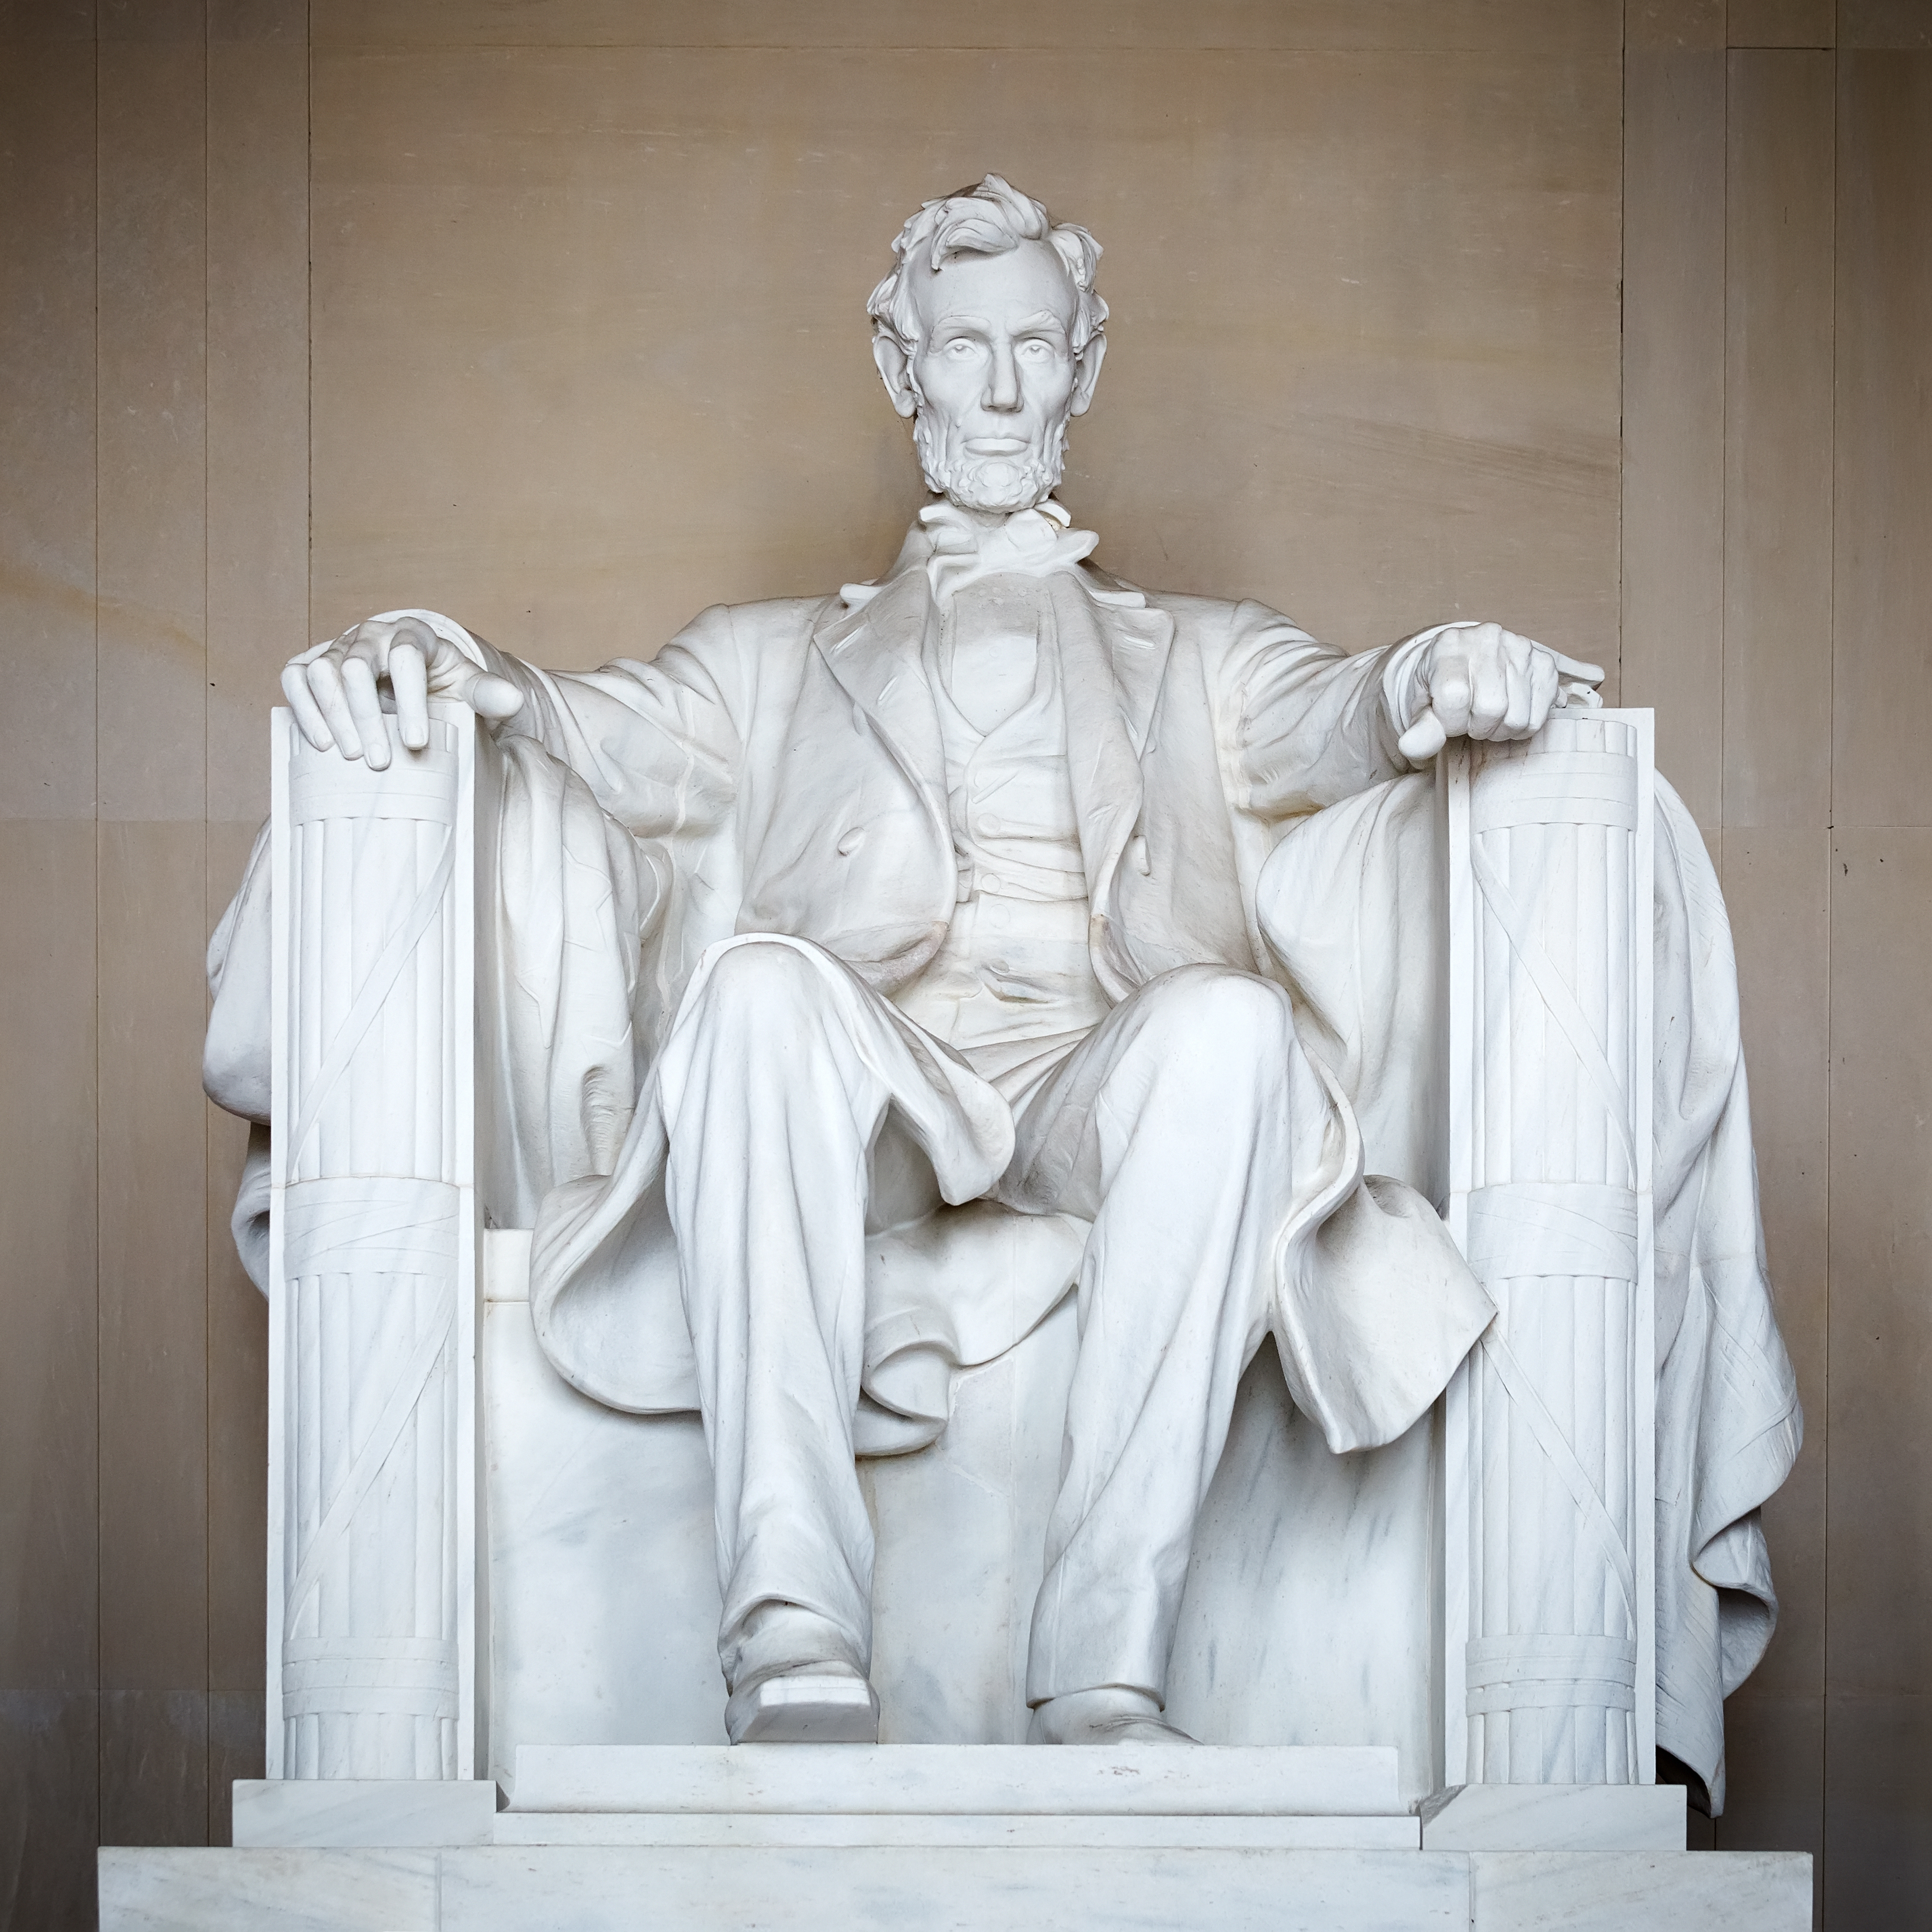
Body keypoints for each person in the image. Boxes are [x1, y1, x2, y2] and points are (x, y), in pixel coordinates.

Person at [217, 177, 1794, 1779]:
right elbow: (562, 716)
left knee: (1233, 1032)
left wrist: (1436, 665)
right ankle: (789, 1631)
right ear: (900, 367)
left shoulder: (1201, 650)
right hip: (872, 1085)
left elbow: (1341, 712)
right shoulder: (768, 662)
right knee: (755, 990)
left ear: (1082, 366)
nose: (994, 387)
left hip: (1092, 1087)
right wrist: (422, 639)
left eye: (1032, 346)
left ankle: (1103, 1662)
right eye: (959, 347)